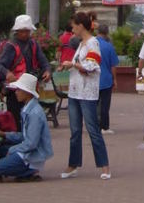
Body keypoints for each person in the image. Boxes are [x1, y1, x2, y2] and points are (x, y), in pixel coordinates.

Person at [60, 10, 110, 180]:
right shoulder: (81, 44)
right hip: (75, 92)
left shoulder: (92, 43)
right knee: (75, 131)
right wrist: (70, 65)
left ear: (81, 26)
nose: (72, 29)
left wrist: (72, 64)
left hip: (87, 93)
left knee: (92, 130)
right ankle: (73, 165)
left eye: (74, 26)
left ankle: (104, 166)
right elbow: (82, 65)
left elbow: (91, 65)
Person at [0, 72, 53, 182]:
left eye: (19, 90)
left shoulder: (34, 113)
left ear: (28, 93)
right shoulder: (28, 108)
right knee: (1, 150)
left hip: (33, 154)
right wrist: (5, 134)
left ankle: (29, 171)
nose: (16, 92)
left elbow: (31, 143)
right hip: (30, 149)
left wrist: (12, 149)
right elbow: (24, 136)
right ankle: (20, 168)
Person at [0, 15, 51, 129]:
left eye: (27, 31)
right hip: (15, 91)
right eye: (22, 31)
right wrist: (7, 73)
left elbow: (43, 61)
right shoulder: (11, 46)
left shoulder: (34, 44)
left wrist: (47, 70)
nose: (25, 34)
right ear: (17, 31)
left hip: (30, 90)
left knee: (30, 121)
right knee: (16, 122)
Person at [97, 23, 119, 134]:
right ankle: (104, 127)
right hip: (106, 79)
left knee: (93, 104)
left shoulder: (90, 44)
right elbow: (113, 65)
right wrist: (114, 79)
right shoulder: (109, 46)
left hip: (93, 79)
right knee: (105, 105)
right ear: (107, 33)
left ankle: (93, 125)